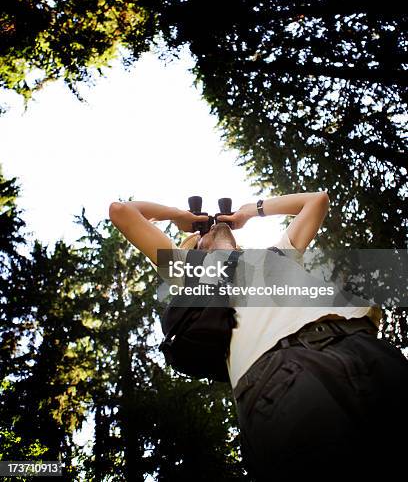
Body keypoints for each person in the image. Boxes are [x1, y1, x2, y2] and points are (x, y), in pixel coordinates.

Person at [109, 192, 408, 478]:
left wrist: (250, 212)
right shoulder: (191, 271)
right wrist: (179, 217)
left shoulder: (277, 255)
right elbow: (122, 212)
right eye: (204, 233)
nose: (213, 228)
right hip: (282, 377)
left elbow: (317, 201)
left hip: (361, 344)